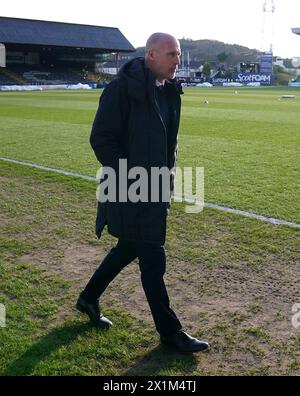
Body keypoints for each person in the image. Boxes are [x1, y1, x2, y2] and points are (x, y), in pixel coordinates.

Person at [76, 33, 209, 353]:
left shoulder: (170, 91)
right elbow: (102, 139)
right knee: (153, 259)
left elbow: (166, 145)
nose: (178, 60)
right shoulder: (121, 90)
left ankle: (88, 299)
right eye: (172, 54)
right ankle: (170, 332)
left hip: (156, 188)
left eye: (178, 54)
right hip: (130, 188)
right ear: (151, 55)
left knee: (128, 248)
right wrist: (132, 178)